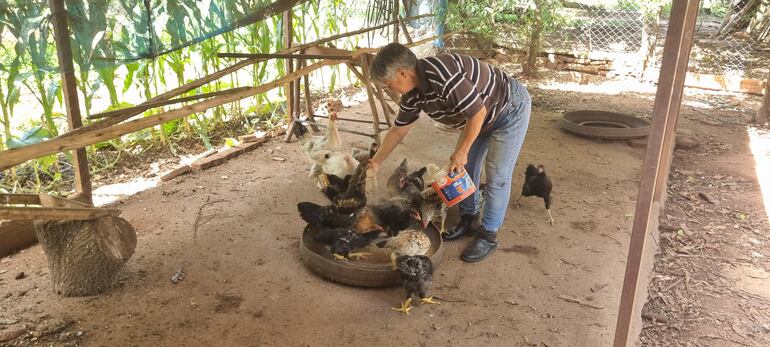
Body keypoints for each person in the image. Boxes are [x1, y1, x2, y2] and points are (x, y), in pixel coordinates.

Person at [368, 43, 531, 262]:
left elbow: (478, 112)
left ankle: (488, 234)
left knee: (497, 174)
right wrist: (376, 162)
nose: (390, 88)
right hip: (478, 116)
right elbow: (399, 130)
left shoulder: (443, 75)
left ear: (403, 73)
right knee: (465, 169)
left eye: (389, 83)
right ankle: (469, 219)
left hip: (508, 109)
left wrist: (462, 149)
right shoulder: (413, 95)